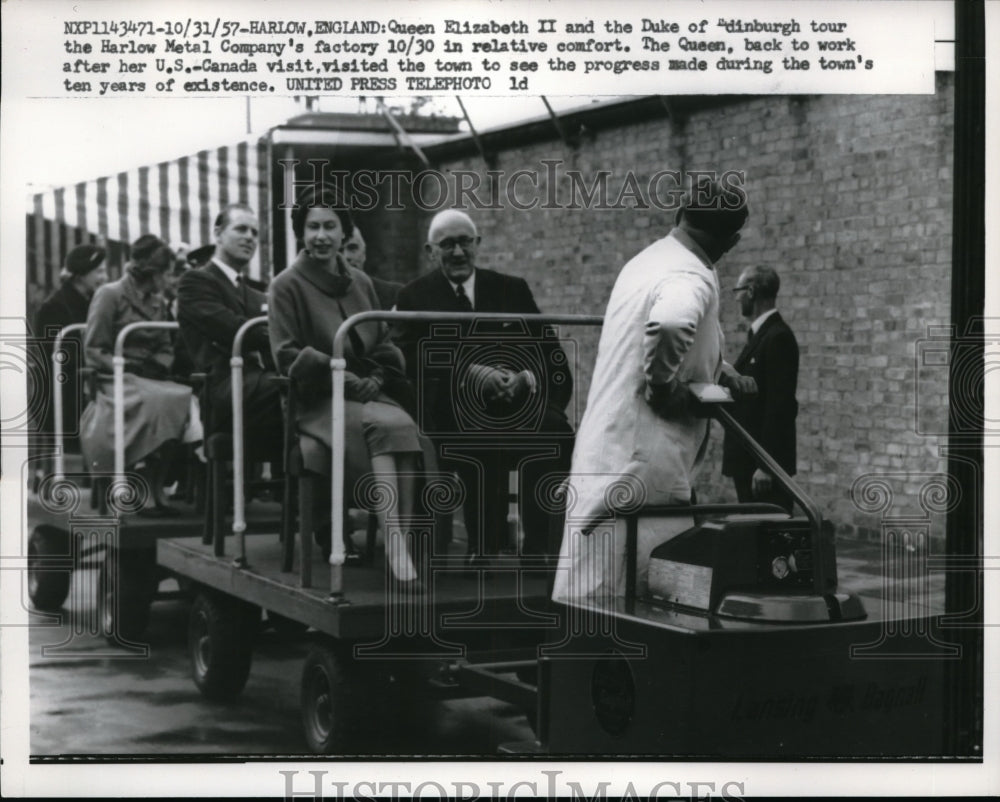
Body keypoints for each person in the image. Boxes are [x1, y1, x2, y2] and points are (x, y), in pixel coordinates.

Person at [552, 177, 753, 600]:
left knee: (599, 584)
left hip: (614, 451)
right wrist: (663, 388)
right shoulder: (690, 275)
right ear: (731, 240)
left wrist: (720, 369)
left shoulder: (649, 260)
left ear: (679, 215)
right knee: (635, 594)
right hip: (643, 464)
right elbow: (671, 323)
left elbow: (654, 331)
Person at [394, 209, 574, 566]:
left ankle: (538, 547)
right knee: (479, 436)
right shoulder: (415, 297)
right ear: (431, 250)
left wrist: (525, 379)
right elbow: (409, 361)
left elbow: (550, 356)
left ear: (478, 244)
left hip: (517, 406)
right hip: (450, 413)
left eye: (464, 242)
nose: (458, 252)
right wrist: (471, 374)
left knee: (555, 432)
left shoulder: (512, 289)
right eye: (447, 244)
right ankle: (484, 547)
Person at [268, 187, 427, 592]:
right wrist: (342, 376)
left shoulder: (359, 281)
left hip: (366, 392)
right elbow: (287, 356)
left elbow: (382, 340)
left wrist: (380, 374)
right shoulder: (285, 285)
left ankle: (400, 542)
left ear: (345, 233)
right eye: (312, 227)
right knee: (385, 425)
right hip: (316, 399)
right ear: (301, 233)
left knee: (403, 425)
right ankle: (396, 547)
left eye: (329, 226)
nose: (321, 235)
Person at [78, 235, 201, 513]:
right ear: (152, 272)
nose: (170, 279)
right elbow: (95, 348)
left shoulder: (157, 303)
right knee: (159, 402)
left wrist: (158, 364)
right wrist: (124, 366)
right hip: (115, 377)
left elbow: (165, 346)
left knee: (182, 398)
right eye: (167, 273)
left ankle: (156, 485)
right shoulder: (110, 294)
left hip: (150, 377)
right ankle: (143, 486)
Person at [175, 204, 284, 456]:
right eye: (241, 229)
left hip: (260, 385)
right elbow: (235, 330)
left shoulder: (255, 293)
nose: (250, 237)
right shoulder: (196, 281)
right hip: (225, 390)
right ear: (218, 233)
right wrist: (281, 333)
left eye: (255, 233)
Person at [721, 265, 799, 512]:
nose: (736, 297)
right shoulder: (762, 336)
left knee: (765, 536)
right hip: (749, 461)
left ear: (751, 291)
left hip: (760, 467)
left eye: (739, 290)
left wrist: (766, 466)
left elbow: (780, 407)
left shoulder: (777, 337)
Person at [33, 244, 108, 448]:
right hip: (66, 398)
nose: (105, 277)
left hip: (90, 388)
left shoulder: (95, 302)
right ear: (81, 274)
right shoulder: (54, 308)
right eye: (99, 271)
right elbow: (61, 358)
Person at [340, 226, 402, 311]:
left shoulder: (394, 295)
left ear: (364, 253)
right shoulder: (319, 298)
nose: (346, 256)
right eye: (339, 250)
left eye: (352, 248)